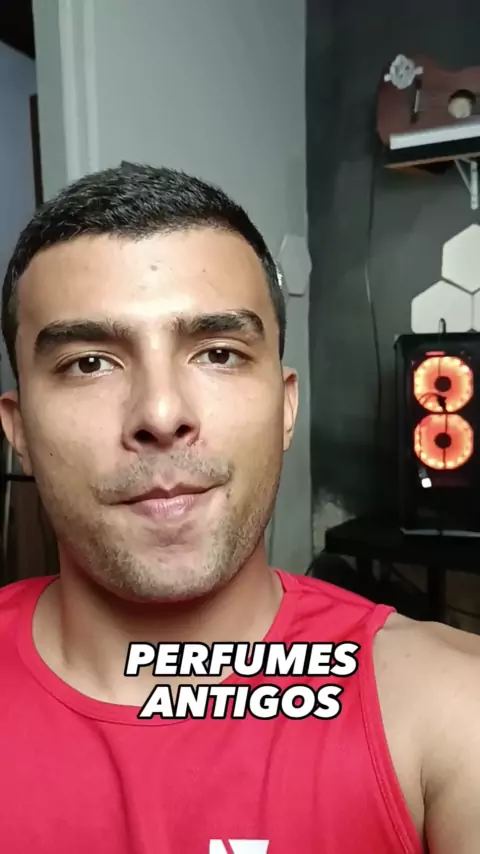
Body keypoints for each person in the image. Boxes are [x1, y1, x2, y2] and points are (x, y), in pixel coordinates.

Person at [0, 163, 478, 854]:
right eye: (89, 363)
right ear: (19, 432)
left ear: (286, 407)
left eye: (218, 353)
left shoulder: (452, 711)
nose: (161, 414)